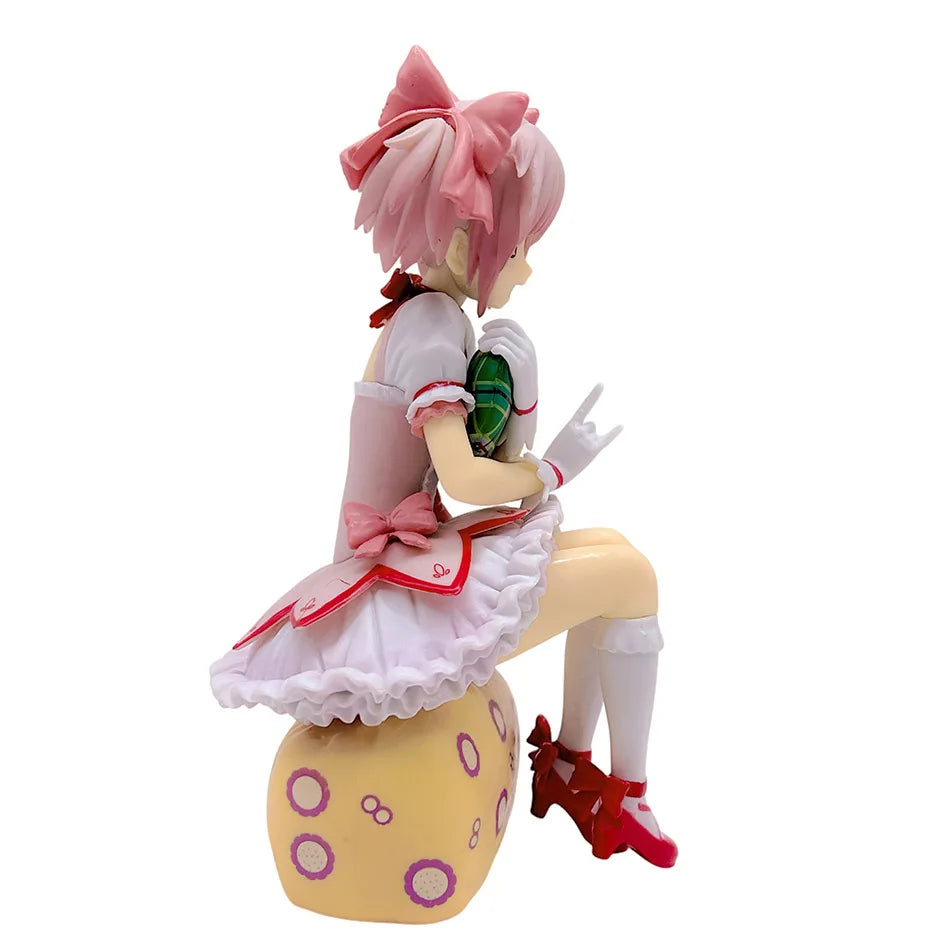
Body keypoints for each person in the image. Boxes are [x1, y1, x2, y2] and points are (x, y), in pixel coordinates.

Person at [210, 46, 677, 868]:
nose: (526, 266)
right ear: (469, 239)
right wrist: (549, 470)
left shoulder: (432, 319)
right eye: (522, 243)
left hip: (413, 556)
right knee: (631, 578)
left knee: (614, 554)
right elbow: (463, 477)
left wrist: (526, 427)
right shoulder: (430, 329)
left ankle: (570, 769)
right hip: (390, 585)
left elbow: (469, 469)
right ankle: (620, 792)